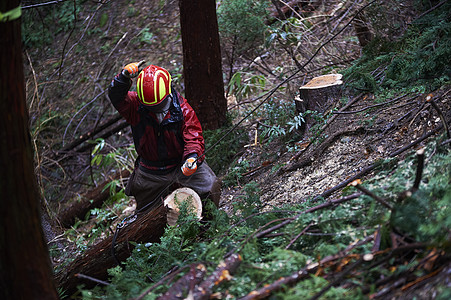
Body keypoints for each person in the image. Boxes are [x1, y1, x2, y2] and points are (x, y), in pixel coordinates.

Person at [107, 61, 221, 214]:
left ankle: (207, 226)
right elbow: (116, 96)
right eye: (150, 106)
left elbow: (193, 137)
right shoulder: (135, 106)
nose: (153, 109)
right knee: (145, 213)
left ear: (167, 93)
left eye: (157, 105)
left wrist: (192, 158)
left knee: (209, 185)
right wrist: (123, 78)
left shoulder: (182, 110)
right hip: (150, 171)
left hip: (179, 166)